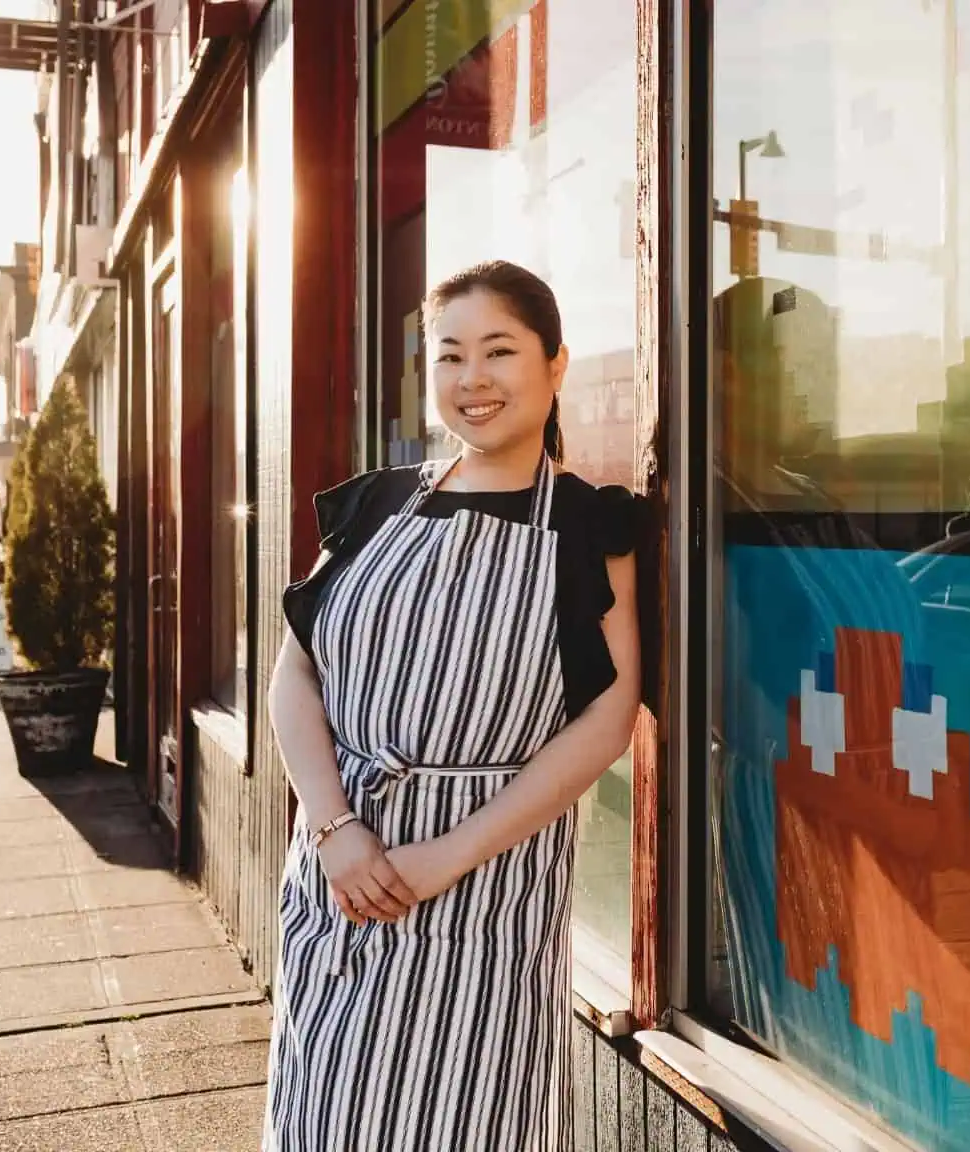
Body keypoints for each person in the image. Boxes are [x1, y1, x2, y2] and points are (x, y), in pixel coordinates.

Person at [260, 260, 642, 1151]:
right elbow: (293, 677)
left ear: (555, 366)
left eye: (500, 351)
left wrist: (444, 857)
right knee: (324, 1122)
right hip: (343, 879)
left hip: (487, 895)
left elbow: (608, 718)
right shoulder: (376, 503)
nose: (473, 379)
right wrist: (334, 831)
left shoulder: (590, 527)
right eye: (450, 355)